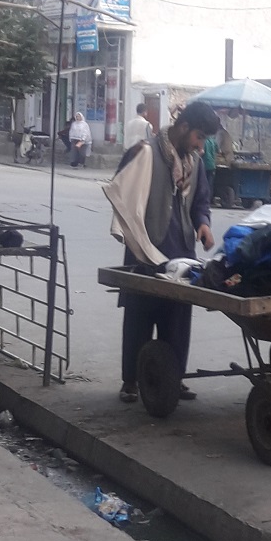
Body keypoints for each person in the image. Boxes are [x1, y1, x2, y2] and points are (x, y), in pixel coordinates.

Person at [104, 102, 220, 404]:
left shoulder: (195, 163)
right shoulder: (144, 152)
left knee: (177, 321)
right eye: (199, 137)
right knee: (139, 317)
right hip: (145, 252)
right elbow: (123, 190)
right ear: (183, 127)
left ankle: (173, 379)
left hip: (182, 253)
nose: (200, 145)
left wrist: (203, 224)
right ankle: (131, 380)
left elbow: (201, 202)